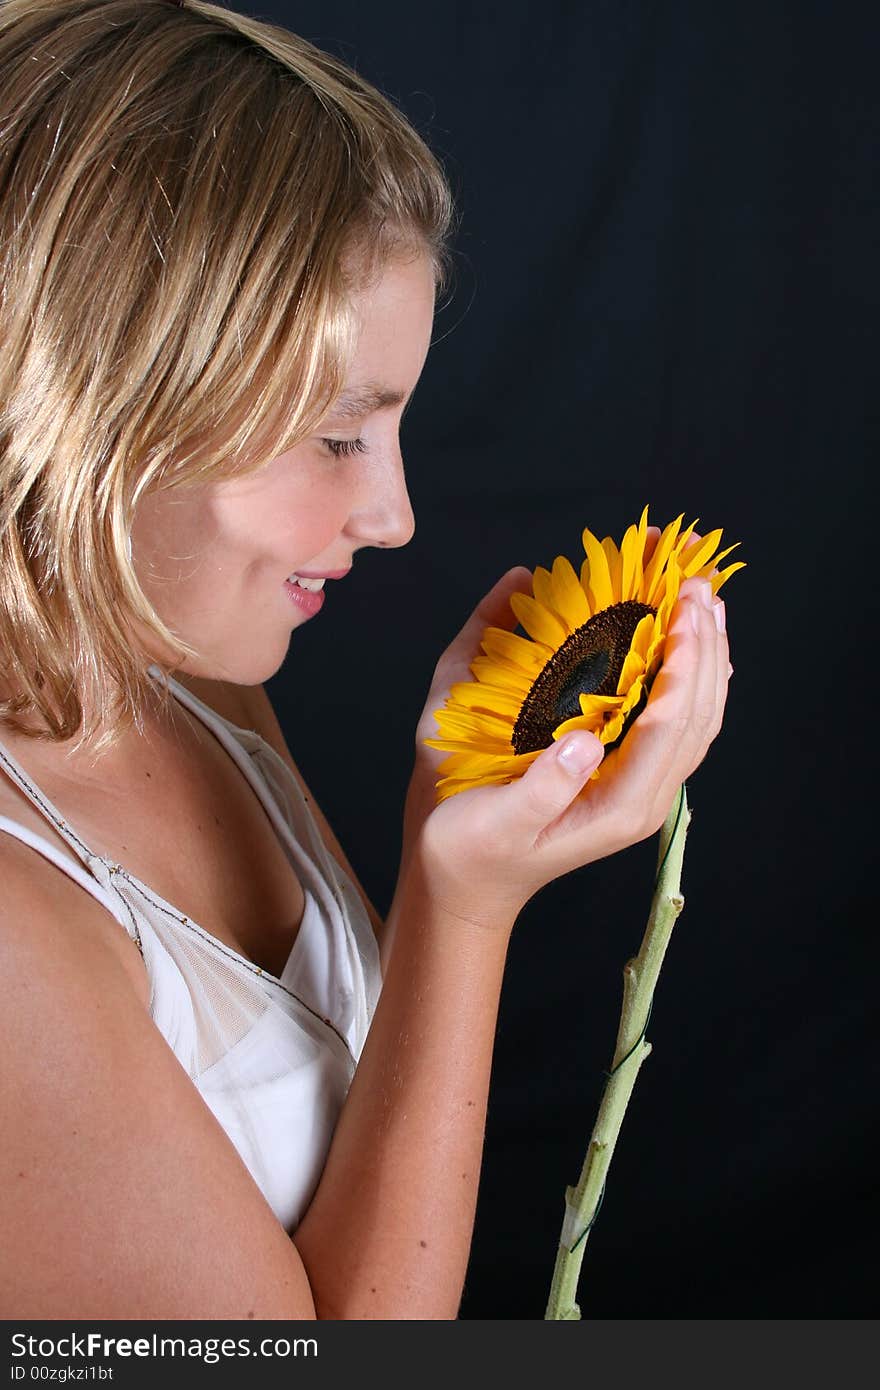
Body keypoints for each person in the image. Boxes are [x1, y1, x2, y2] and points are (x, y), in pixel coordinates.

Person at [0, 0, 731, 1320]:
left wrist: (450, 836)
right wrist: (468, 911)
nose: (392, 516)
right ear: (97, 399)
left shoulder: (191, 671)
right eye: (337, 436)